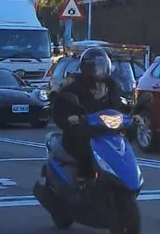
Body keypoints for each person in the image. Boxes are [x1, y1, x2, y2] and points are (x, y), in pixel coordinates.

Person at [51, 46, 123, 182]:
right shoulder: (74, 86)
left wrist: (133, 117)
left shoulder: (111, 86)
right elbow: (61, 107)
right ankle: (82, 181)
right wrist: (71, 119)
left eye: (102, 66)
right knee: (85, 153)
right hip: (81, 134)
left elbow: (119, 107)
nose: (99, 70)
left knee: (122, 150)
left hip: (105, 133)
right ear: (86, 67)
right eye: (95, 66)